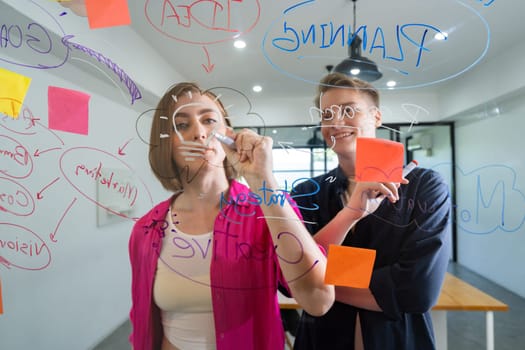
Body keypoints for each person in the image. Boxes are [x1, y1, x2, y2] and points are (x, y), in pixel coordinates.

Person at [128, 82, 334, 350]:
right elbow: (142, 317)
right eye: (181, 125)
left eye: (209, 120)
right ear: (166, 144)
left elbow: (319, 300)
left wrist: (263, 181)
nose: (199, 133)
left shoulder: (268, 210)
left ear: (227, 134)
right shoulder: (146, 229)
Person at [291, 73, 451, 350]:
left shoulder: (423, 186)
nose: (336, 122)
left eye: (349, 110)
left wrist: (320, 281)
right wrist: (379, 276)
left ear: (376, 117)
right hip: (322, 340)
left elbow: (416, 289)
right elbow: (289, 279)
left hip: (400, 339)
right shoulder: (307, 192)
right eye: (327, 114)